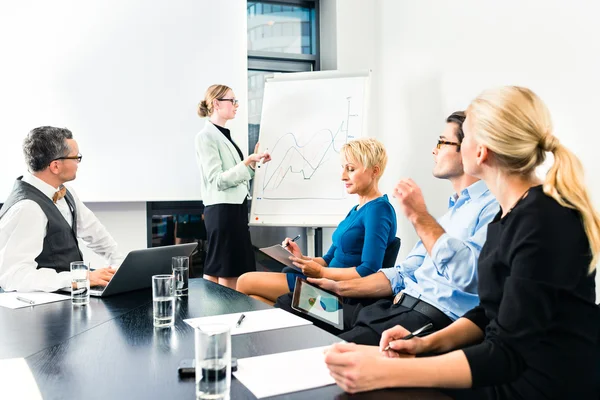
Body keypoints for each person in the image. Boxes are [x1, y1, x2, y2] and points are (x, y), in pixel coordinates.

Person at [324, 87, 600, 399]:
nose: (443, 147)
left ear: (480, 152)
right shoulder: (507, 218)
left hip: (538, 385)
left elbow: (507, 353)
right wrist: (424, 343)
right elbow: (490, 313)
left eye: (463, 136)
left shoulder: (545, 221)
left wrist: (389, 369)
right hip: (504, 366)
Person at [276, 111, 499, 345]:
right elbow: (402, 273)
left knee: (328, 350)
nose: (434, 150)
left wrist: (420, 216)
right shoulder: (451, 213)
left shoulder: (492, 209)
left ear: (471, 150)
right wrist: (340, 287)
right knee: (287, 306)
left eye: (442, 143)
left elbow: (471, 277)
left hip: (425, 318)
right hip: (390, 307)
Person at [237, 138, 397, 306]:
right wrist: (301, 258)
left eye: (350, 169)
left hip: (335, 293)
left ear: (374, 171)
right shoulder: (358, 209)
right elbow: (328, 259)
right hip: (323, 283)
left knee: (244, 282)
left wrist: (320, 272)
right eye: (343, 168)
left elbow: (369, 271)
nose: (343, 176)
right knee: (256, 301)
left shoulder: (379, 210)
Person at [0, 126, 122, 292]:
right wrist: (81, 277)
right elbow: (14, 276)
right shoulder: (28, 208)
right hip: (43, 308)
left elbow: (95, 233)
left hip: (69, 294)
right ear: (55, 166)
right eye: (76, 158)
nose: (78, 163)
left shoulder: (66, 192)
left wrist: (120, 266)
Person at [196, 84, 271, 290]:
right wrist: (247, 163)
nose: (236, 105)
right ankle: (225, 315)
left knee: (219, 268)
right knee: (227, 269)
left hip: (231, 209)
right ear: (216, 104)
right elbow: (218, 180)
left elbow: (234, 175)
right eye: (232, 101)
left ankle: (216, 314)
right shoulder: (206, 136)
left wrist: (253, 163)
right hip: (223, 210)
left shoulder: (224, 134)